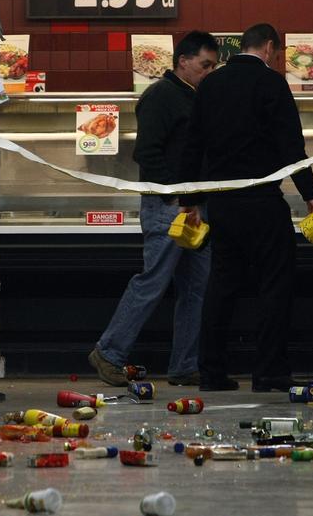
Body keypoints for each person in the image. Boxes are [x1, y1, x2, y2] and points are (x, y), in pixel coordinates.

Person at [177, 23, 313, 393]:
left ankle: (211, 372)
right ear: (271, 48)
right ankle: (269, 371)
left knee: (221, 284)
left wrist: (189, 201)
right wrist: (310, 194)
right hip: (262, 203)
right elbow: (292, 145)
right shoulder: (273, 84)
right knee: (274, 285)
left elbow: (192, 145)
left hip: (222, 203)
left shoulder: (210, 85)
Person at [88, 31, 220, 387]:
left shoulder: (194, 97)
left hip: (194, 206)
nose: (209, 72)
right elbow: (146, 153)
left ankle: (184, 364)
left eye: (214, 66)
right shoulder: (161, 96)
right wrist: (172, 196)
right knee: (153, 281)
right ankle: (109, 352)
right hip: (169, 205)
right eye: (205, 65)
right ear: (183, 61)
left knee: (197, 287)